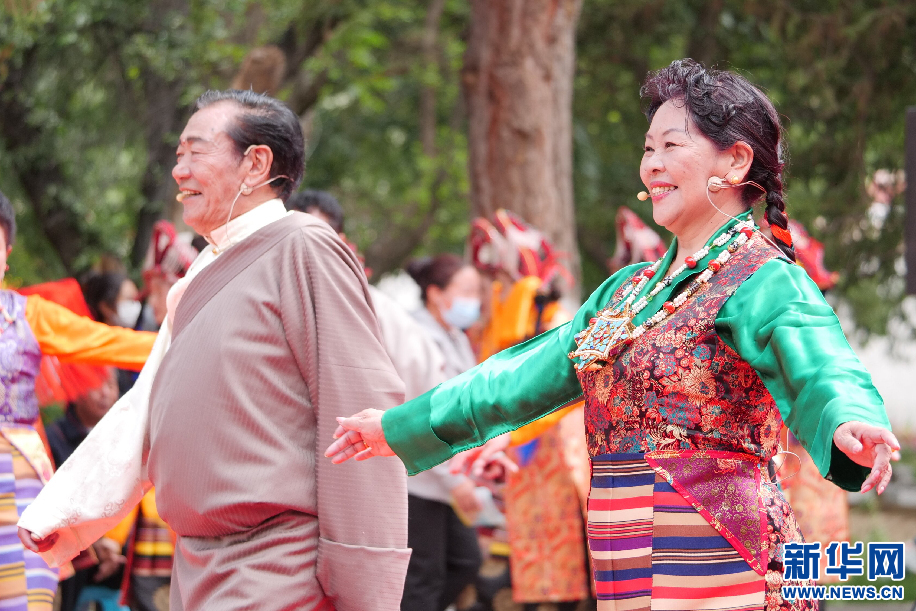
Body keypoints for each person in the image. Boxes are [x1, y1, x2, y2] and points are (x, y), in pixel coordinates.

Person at [326, 59, 898, 611]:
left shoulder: (762, 277)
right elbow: (519, 376)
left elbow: (821, 362)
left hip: (723, 563)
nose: (652, 165)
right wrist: (398, 427)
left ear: (736, 160)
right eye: (648, 149)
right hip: (623, 563)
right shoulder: (627, 291)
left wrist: (848, 418)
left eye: (671, 146)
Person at [18, 89, 410, 611]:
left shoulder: (305, 246)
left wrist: (360, 574)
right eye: (178, 154)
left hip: (279, 564)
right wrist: (65, 511)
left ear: (256, 163)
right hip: (198, 564)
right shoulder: (202, 271)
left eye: (196, 152)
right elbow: (145, 407)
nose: (178, 170)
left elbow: (360, 411)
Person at [0, 190, 156, 611]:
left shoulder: (29, 315)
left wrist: (189, 337)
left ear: (7, 253)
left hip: (17, 481)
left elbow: (107, 342)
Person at [401, 254, 484, 611]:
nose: (474, 300)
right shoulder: (414, 336)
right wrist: (456, 480)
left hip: (446, 477)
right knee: (424, 577)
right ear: (436, 294)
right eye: (467, 291)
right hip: (421, 478)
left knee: (464, 563)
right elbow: (425, 417)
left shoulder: (454, 337)